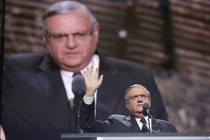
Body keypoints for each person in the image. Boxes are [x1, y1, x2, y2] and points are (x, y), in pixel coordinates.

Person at [1, 1, 167, 140]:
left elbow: (160, 134)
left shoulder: (135, 76)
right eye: (60, 36)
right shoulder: (14, 73)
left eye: (79, 34)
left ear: (95, 32)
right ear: (45, 38)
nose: (71, 44)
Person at [80, 67, 177, 133]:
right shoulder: (115, 124)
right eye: (134, 97)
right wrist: (90, 93)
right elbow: (88, 125)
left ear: (149, 101)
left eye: (143, 96)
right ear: (127, 104)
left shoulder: (168, 128)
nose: (139, 99)